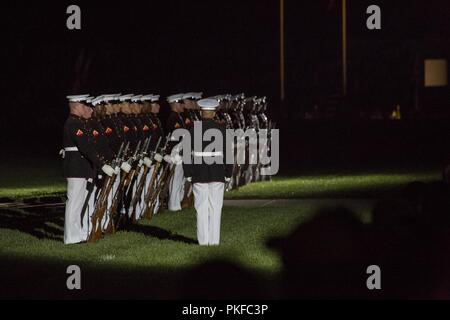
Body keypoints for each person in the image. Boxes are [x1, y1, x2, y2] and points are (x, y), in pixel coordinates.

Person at [62, 94, 115, 244]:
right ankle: (71, 236)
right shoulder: (73, 123)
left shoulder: (79, 123)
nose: (88, 109)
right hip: (76, 168)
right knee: (74, 202)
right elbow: (85, 147)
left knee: (80, 203)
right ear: (76, 106)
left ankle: (78, 233)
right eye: (84, 105)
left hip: (81, 168)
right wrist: (102, 164)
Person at [183, 98, 233, 245]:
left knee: (201, 207)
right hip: (217, 171)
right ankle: (214, 241)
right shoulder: (221, 129)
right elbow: (228, 154)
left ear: (200, 112)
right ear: (214, 113)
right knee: (216, 207)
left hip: (199, 172)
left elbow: (187, 154)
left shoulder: (193, 129)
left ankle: (203, 241)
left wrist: (188, 173)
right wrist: (228, 173)